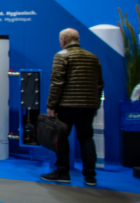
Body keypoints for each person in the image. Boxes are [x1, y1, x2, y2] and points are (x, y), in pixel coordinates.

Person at [42, 28, 104, 186]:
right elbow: (99, 84)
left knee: (62, 138)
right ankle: (90, 176)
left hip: (67, 106)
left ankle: (62, 172)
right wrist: (94, 104)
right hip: (89, 106)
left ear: (63, 39)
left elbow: (57, 83)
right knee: (86, 138)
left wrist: (51, 106)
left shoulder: (61, 55)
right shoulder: (93, 57)